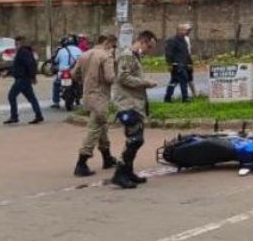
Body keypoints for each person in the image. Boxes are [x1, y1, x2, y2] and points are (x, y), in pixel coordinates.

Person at [111, 30, 160, 190]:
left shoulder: (134, 56)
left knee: (137, 138)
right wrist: (145, 82)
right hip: (127, 104)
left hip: (135, 104)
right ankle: (120, 173)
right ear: (143, 42)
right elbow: (123, 78)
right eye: (149, 47)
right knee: (134, 139)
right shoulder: (127, 56)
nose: (149, 51)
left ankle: (128, 171)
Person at [71, 34, 118, 177]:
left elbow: (74, 74)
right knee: (95, 128)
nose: (113, 48)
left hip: (88, 95)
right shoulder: (105, 56)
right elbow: (110, 78)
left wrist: (86, 81)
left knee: (101, 125)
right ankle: (82, 162)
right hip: (101, 96)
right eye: (113, 45)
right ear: (108, 42)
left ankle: (107, 157)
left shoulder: (84, 55)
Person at [3, 35, 43, 125]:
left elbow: (30, 65)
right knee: (32, 98)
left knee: (11, 96)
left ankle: (14, 116)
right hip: (24, 78)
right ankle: (39, 115)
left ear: (20, 43)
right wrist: (8, 72)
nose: (15, 45)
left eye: (16, 43)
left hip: (22, 79)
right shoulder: (24, 52)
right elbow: (17, 65)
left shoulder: (23, 52)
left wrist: (33, 77)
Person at [50, 35, 83, 109]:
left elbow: (55, 61)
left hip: (63, 72)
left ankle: (56, 102)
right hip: (75, 72)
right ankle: (78, 99)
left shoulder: (61, 50)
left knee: (56, 84)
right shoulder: (79, 50)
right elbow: (83, 61)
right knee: (80, 83)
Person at [163, 24, 192, 103]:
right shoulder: (172, 40)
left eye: (185, 30)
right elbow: (168, 53)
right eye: (183, 30)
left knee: (174, 81)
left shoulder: (184, 40)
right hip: (176, 64)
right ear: (178, 30)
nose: (185, 32)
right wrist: (169, 64)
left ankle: (167, 98)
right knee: (184, 80)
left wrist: (189, 63)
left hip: (184, 64)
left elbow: (186, 53)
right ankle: (185, 98)